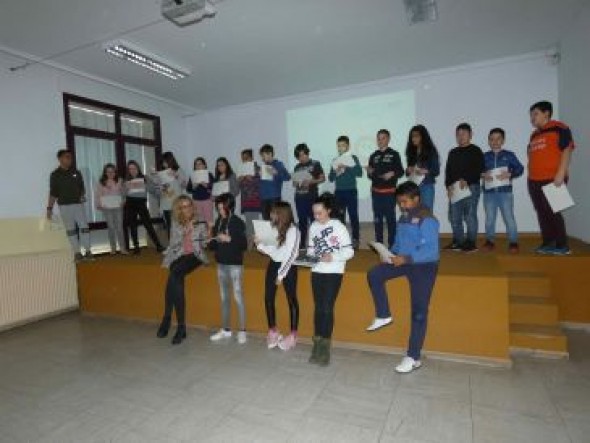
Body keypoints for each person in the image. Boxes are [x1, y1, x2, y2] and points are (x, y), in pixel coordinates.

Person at [366, 181, 439, 373]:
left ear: (417, 199)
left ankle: (413, 356)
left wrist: (406, 258)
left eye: (405, 202)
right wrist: (388, 255)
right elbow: (399, 242)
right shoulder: (404, 217)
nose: (402, 206)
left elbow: (432, 251)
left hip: (424, 266)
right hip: (403, 262)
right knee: (374, 274)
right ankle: (383, 314)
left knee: (419, 312)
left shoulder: (428, 219)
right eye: (399, 202)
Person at [307, 193, 354, 366]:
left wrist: (332, 256)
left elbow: (349, 252)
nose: (316, 216)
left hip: (334, 272)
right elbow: (312, 250)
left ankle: (325, 347)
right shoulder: (312, 226)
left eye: (319, 213)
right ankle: (317, 345)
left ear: (328, 210)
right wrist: (308, 257)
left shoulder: (338, 227)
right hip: (317, 271)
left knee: (327, 308)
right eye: (314, 213)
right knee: (318, 308)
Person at [157, 195, 209, 345]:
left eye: (189, 206)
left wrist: (208, 233)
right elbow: (173, 244)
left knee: (174, 272)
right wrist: (186, 231)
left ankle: (168, 319)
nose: (187, 209)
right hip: (179, 254)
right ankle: (180, 327)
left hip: (195, 256)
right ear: (179, 209)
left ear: (192, 206)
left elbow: (204, 243)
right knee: (175, 274)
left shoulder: (199, 220)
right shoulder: (175, 222)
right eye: (183, 207)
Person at [527, 101, 575, 255]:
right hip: (534, 179)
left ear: (546, 113)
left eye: (535, 114)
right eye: (531, 115)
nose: (532, 118)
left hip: (553, 178)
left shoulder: (559, 127)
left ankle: (562, 245)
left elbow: (567, 149)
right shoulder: (534, 134)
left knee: (553, 211)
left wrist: (561, 173)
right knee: (541, 211)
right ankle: (548, 242)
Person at [254, 201, 300, 351]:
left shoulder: (294, 230)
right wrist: (260, 245)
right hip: (274, 264)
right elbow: (274, 252)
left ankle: (293, 335)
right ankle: (273, 331)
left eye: (274, 212)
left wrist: (281, 275)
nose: (271, 215)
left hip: (289, 267)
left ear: (282, 213)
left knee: (291, 299)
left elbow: (291, 255)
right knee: (268, 298)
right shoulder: (274, 228)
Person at [208, 193, 248, 344]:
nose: (220, 211)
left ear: (229, 206)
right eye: (218, 208)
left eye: (222, 208)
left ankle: (242, 331)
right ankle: (225, 329)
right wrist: (210, 230)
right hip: (221, 264)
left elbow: (244, 245)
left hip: (235, 265)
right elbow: (212, 246)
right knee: (224, 298)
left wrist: (230, 239)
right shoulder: (219, 221)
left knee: (238, 297)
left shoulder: (237, 222)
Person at [481, 128, 524, 253]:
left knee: (509, 217)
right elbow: (478, 170)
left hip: (505, 193)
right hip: (489, 193)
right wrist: (483, 174)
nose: (495, 141)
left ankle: (513, 242)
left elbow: (520, 169)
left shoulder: (509, 155)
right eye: (492, 139)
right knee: (489, 218)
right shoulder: (484, 156)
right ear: (489, 141)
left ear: (503, 140)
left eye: (498, 138)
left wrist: (510, 174)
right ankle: (489, 241)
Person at [444, 123, 485, 253]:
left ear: (470, 135)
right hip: (455, 189)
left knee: (469, 216)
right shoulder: (453, 152)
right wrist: (448, 186)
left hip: (471, 187)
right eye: (458, 134)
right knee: (454, 217)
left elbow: (479, 169)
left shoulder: (476, 150)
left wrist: (466, 179)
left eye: (464, 134)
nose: (461, 137)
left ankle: (471, 242)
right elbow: (448, 171)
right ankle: (458, 241)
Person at [47, 149, 93, 261]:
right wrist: (49, 208)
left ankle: (88, 251)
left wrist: (82, 195)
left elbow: (82, 188)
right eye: (67, 157)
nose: (70, 160)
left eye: (70, 157)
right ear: (60, 159)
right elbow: (53, 193)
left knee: (84, 228)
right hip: (64, 206)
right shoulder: (55, 175)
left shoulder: (76, 172)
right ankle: (77, 253)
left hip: (78, 205)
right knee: (70, 230)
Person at [367, 129, 404, 248]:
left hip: (389, 193)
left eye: (383, 138)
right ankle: (380, 246)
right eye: (378, 138)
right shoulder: (373, 155)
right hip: (376, 193)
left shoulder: (394, 154)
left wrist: (392, 173)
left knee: (390, 220)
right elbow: (370, 175)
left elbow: (401, 171)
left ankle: (392, 246)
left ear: (388, 139)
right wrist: (370, 171)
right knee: (377, 220)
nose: (380, 140)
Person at [328, 135, 363, 249]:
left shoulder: (353, 158)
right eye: (338, 146)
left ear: (348, 146)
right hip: (339, 192)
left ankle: (356, 239)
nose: (340, 148)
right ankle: (341, 240)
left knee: (353, 216)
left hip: (351, 191)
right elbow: (331, 178)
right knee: (339, 217)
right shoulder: (335, 160)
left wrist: (347, 166)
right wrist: (336, 171)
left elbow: (359, 173)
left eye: (342, 145)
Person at [123, 160, 165, 254]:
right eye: (130, 169)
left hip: (141, 203)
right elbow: (123, 194)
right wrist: (126, 188)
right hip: (130, 203)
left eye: (134, 168)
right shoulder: (126, 180)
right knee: (133, 225)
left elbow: (152, 190)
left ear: (138, 168)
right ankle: (136, 247)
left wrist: (146, 185)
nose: (132, 170)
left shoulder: (145, 177)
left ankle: (158, 245)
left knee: (148, 224)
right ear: (128, 170)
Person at [293, 143, 325, 246]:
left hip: (312, 197)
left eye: (303, 155)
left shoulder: (315, 163)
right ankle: (302, 245)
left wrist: (310, 182)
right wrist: (297, 182)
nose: (301, 158)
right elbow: (294, 183)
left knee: (314, 221)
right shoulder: (297, 167)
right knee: (302, 222)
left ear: (307, 153)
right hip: (299, 197)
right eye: (299, 156)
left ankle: (315, 244)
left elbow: (323, 178)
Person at [405, 125, 440, 210]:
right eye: (412, 136)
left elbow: (436, 170)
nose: (413, 138)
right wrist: (408, 170)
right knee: (413, 214)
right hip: (413, 188)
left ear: (423, 137)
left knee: (426, 214)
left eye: (416, 136)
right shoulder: (411, 152)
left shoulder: (431, 151)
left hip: (426, 185)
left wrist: (426, 171)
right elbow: (408, 173)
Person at [95, 163, 128, 255]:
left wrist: (123, 201)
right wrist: (99, 204)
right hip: (107, 208)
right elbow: (98, 195)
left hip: (118, 207)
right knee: (111, 227)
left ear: (115, 172)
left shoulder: (120, 180)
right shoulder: (101, 182)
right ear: (105, 173)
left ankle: (123, 248)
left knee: (120, 228)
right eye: (108, 172)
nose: (110, 173)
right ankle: (113, 248)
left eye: (112, 171)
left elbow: (124, 193)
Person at [154, 151, 187, 238]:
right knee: (169, 225)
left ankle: (180, 246)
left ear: (171, 160)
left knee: (178, 224)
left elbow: (184, 185)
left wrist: (176, 176)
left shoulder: (178, 170)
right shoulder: (161, 173)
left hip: (176, 201)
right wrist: (159, 187)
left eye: (166, 161)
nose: (164, 163)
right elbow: (158, 189)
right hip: (165, 202)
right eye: (163, 162)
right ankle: (172, 247)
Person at [258, 144, 291, 220]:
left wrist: (276, 173)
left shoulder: (278, 164)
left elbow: (288, 177)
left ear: (270, 153)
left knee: (276, 220)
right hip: (263, 198)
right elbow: (262, 184)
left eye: (263, 155)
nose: (262, 158)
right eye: (262, 156)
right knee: (266, 221)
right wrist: (259, 176)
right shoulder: (263, 167)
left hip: (274, 198)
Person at [237, 149, 262, 248]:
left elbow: (261, 182)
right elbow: (238, 185)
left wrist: (251, 179)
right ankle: (249, 246)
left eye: (246, 158)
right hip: (245, 200)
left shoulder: (258, 168)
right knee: (248, 224)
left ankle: (257, 245)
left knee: (255, 224)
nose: (244, 160)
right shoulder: (241, 168)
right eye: (243, 158)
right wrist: (240, 179)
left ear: (252, 158)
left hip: (255, 199)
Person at [186, 157, 215, 225]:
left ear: (204, 165)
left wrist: (206, 185)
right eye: (196, 164)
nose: (198, 166)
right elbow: (188, 189)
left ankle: (209, 235)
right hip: (196, 201)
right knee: (197, 220)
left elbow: (214, 187)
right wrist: (194, 187)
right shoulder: (193, 175)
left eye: (200, 164)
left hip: (207, 200)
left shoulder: (209, 174)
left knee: (209, 220)